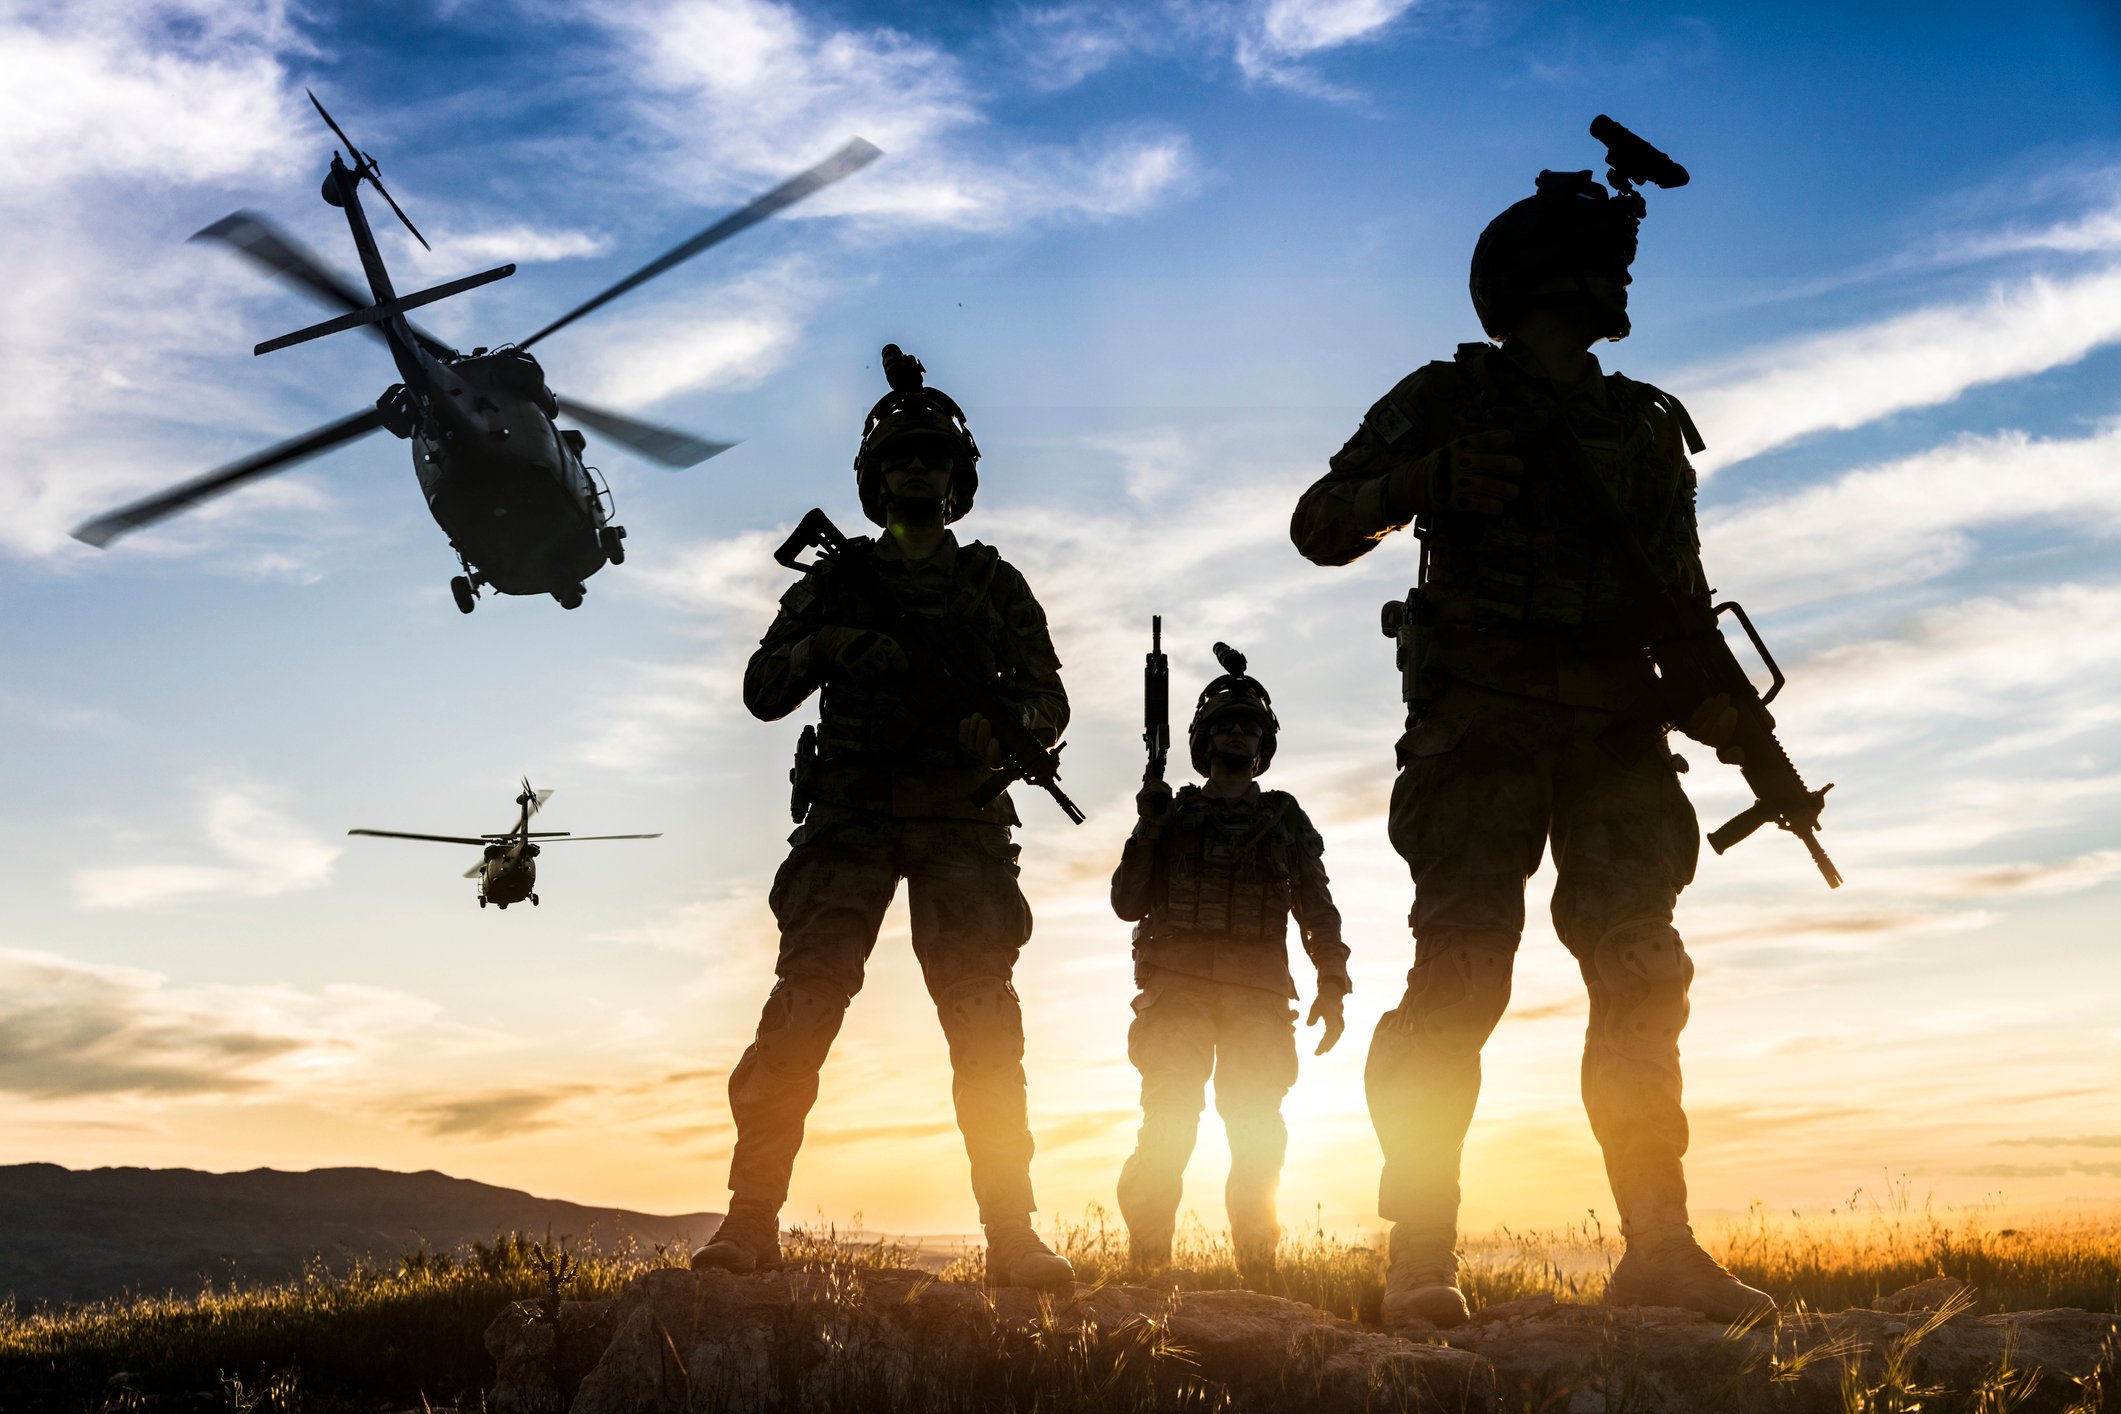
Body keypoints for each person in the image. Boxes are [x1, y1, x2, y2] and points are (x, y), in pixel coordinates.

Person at [1289, 158, 1774, 1326]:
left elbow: (1680, 600)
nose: (1619, 279)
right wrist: (1425, 479)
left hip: (1612, 736)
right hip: (1482, 730)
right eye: (1603, 260)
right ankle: (1420, 1254)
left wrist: (1733, 725)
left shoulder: (1643, 429)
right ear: (1546, 276)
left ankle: (1659, 1241)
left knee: (1642, 976)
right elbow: (1319, 522)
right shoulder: (1446, 398)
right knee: (1460, 979)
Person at [693, 345, 1074, 1289]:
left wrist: (1005, 730)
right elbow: (761, 688)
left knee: (985, 1024)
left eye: (933, 459)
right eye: (900, 457)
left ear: (957, 480)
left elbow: (1049, 703)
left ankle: (1012, 1234)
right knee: (802, 1012)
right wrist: (832, 641)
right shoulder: (837, 580)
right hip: (851, 815)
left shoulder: (994, 586)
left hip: (960, 821)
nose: (917, 469)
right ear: (873, 478)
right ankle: (749, 1220)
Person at [1109, 646, 1350, 1288]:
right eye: (1224, 724)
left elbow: (1318, 909)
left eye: (1247, 725)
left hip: (1257, 996)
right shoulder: (1174, 813)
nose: (1236, 732)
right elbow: (1127, 902)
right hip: (1176, 994)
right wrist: (1149, 827)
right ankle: (1149, 1266)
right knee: (1168, 1124)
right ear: (1202, 739)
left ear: (1264, 742)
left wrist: (1333, 982)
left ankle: (1258, 1271)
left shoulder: (1283, 820)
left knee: (1256, 1132)